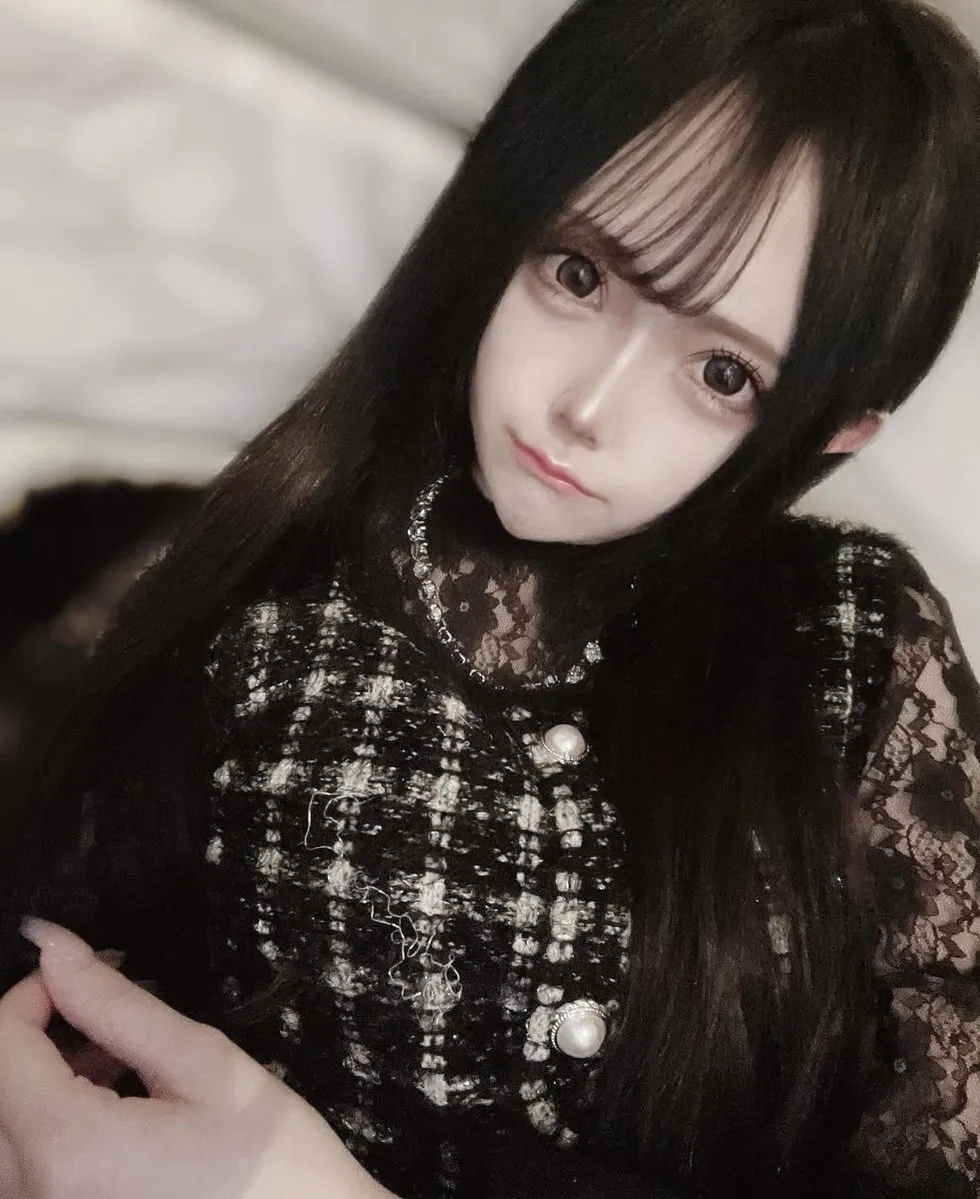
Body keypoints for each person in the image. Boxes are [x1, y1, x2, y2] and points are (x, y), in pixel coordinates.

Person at [0, 0, 978, 1195]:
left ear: (832, 431)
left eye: (722, 372)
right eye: (577, 273)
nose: (588, 406)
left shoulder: (852, 640)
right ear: (497, 215)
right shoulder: (254, 595)